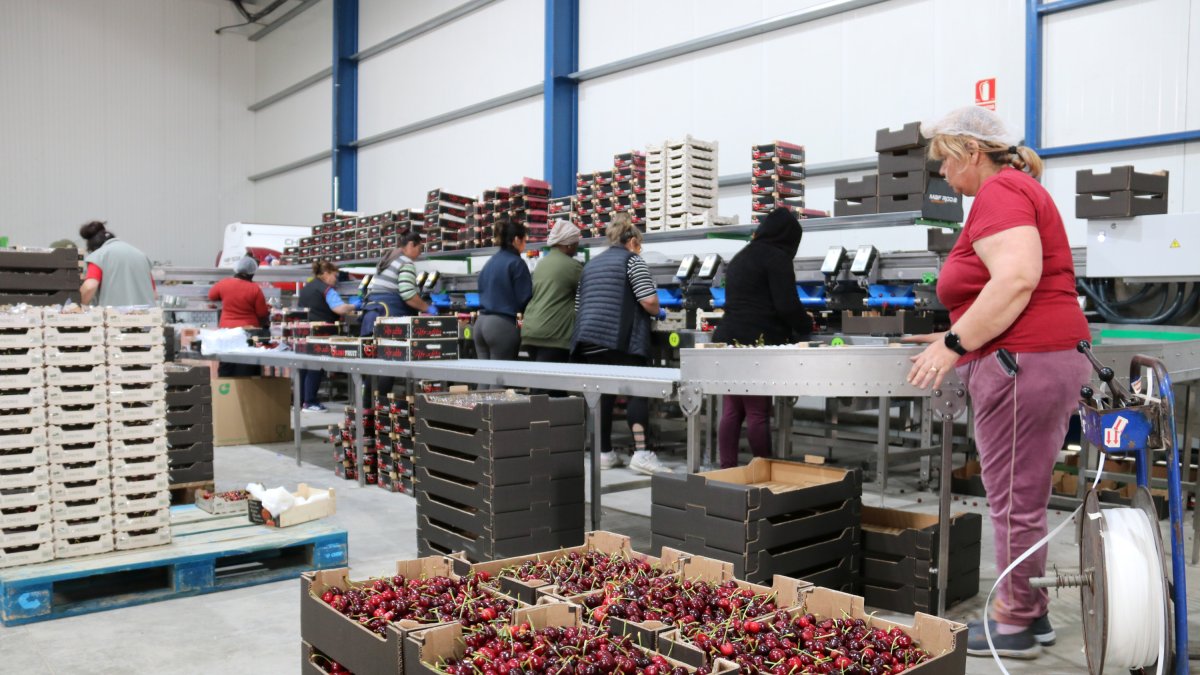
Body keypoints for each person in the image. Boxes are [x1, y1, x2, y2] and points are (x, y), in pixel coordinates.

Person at [904, 106, 1090, 660]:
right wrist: (957, 330)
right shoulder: (1015, 188)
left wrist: (954, 345)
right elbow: (1001, 286)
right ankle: (1029, 616)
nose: (940, 173)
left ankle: (1014, 623)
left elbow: (1016, 278)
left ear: (970, 152)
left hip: (1021, 361)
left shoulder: (1000, 193)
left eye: (942, 160)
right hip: (1032, 357)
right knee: (1021, 496)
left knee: (1013, 499)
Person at [712, 208, 812, 468]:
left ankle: (728, 469)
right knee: (757, 411)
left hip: (728, 340)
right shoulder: (776, 257)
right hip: (755, 342)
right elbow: (786, 305)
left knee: (732, 410)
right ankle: (764, 468)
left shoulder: (741, 256)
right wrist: (807, 325)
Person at [572, 212, 670, 476]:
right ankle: (642, 453)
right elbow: (648, 300)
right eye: (640, 245)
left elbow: (579, 306)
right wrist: (659, 311)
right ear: (632, 241)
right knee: (636, 389)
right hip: (620, 338)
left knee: (603, 393)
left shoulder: (591, 265)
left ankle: (603, 453)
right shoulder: (632, 261)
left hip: (589, 339)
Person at [360, 232, 431, 406]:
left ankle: (369, 411)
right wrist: (428, 308)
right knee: (387, 366)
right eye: (419, 248)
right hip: (388, 318)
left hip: (373, 315)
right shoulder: (406, 262)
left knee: (374, 367)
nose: (419, 253)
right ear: (411, 245)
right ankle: (382, 410)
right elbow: (408, 295)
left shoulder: (389, 259)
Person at [521, 220, 582, 364]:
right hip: (554, 334)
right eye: (575, 243)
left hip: (531, 330)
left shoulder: (541, 264)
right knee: (550, 385)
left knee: (539, 381)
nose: (577, 247)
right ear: (568, 245)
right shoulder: (573, 266)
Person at [297, 260, 356, 412]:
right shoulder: (327, 289)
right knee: (316, 367)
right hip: (320, 333)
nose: (335, 279)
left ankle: (301, 401)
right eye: (334, 275)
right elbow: (339, 309)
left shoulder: (306, 288)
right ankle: (310, 402)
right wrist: (355, 305)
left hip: (303, 332)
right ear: (325, 274)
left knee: (304, 367)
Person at [474, 220, 532, 360]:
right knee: (500, 379)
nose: (525, 245)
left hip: (480, 324)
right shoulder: (516, 263)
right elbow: (525, 298)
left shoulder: (491, 261)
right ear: (517, 239)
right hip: (501, 326)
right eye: (525, 240)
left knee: (484, 377)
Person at [208, 257, 270, 377]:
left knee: (227, 364)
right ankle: (245, 393)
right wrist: (265, 325)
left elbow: (212, 296)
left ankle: (226, 391)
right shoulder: (255, 289)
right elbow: (262, 313)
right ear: (251, 273)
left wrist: (225, 298)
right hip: (248, 332)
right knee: (246, 367)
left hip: (227, 331)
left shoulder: (224, 283)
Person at [78, 221, 155, 306]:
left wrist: (79, 307)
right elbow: (154, 293)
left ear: (93, 247)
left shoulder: (99, 256)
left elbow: (89, 287)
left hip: (116, 317)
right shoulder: (141, 256)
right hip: (147, 316)